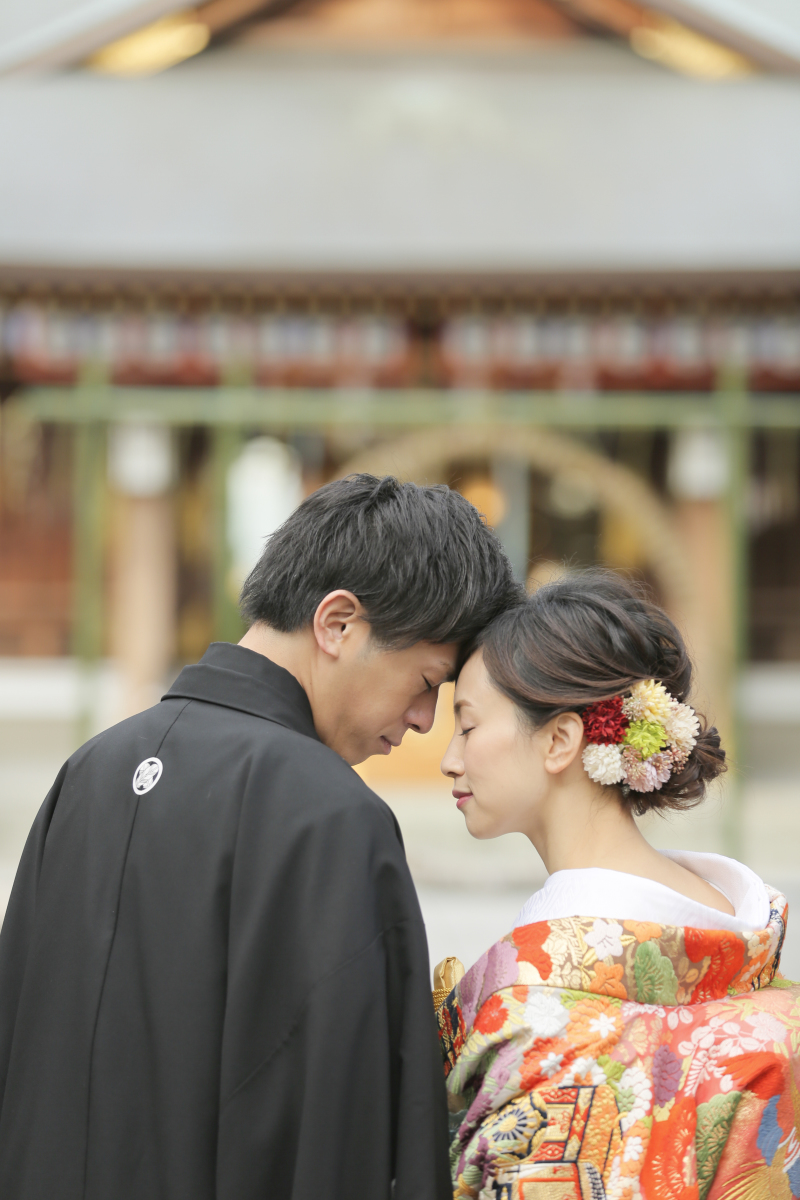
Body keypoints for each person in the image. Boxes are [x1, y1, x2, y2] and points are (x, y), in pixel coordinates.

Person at [0, 472, 521, 1200]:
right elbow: (349, 1127)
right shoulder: (332, 817)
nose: (422, 720)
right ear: (338, 624)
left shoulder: (91, 769)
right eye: (426, 680)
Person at [437, 569, 800, 1200]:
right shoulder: (739, 934)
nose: (449, 757)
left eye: (467, 725)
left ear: (560, 740)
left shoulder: (536, 1008)